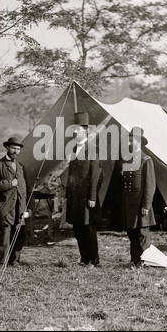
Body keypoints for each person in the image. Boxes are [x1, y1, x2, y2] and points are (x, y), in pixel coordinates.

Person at [0, 136, 34, 270]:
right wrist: (10, 183)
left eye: (18, 149)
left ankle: (14, 262)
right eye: (13, 148)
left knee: (19, 236)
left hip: (20, 209)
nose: (16, 151)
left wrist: (29, 208)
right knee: (5, 238)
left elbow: (29, 188)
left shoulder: (21, 167)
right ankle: (0, 264)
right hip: (6, 208)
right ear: (7, 148)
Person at [65, 112, 103, 267]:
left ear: (86, 131)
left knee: (88, 229)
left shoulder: (92, 148)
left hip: (87, 197)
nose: (74, 132)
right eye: (73, 129)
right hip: (75, 198)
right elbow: (71, 174)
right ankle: (84, 258)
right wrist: (68, 194)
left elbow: (95, 176)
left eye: (78, 129)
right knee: (78, 228)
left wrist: (92, 197)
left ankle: (94, 260)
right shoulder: (74, 149)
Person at [120, 127, 156, 268]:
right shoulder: (128, 159)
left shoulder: (146, 160)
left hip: (140, 203)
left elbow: (150, 185)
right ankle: (135, 261)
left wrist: (146, 205)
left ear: (139, 142)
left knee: (142, 235)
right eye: (129, 140)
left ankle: (145, 261)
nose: (130, 143)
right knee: (132, 233)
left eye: (133, 140)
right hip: (130, 203)